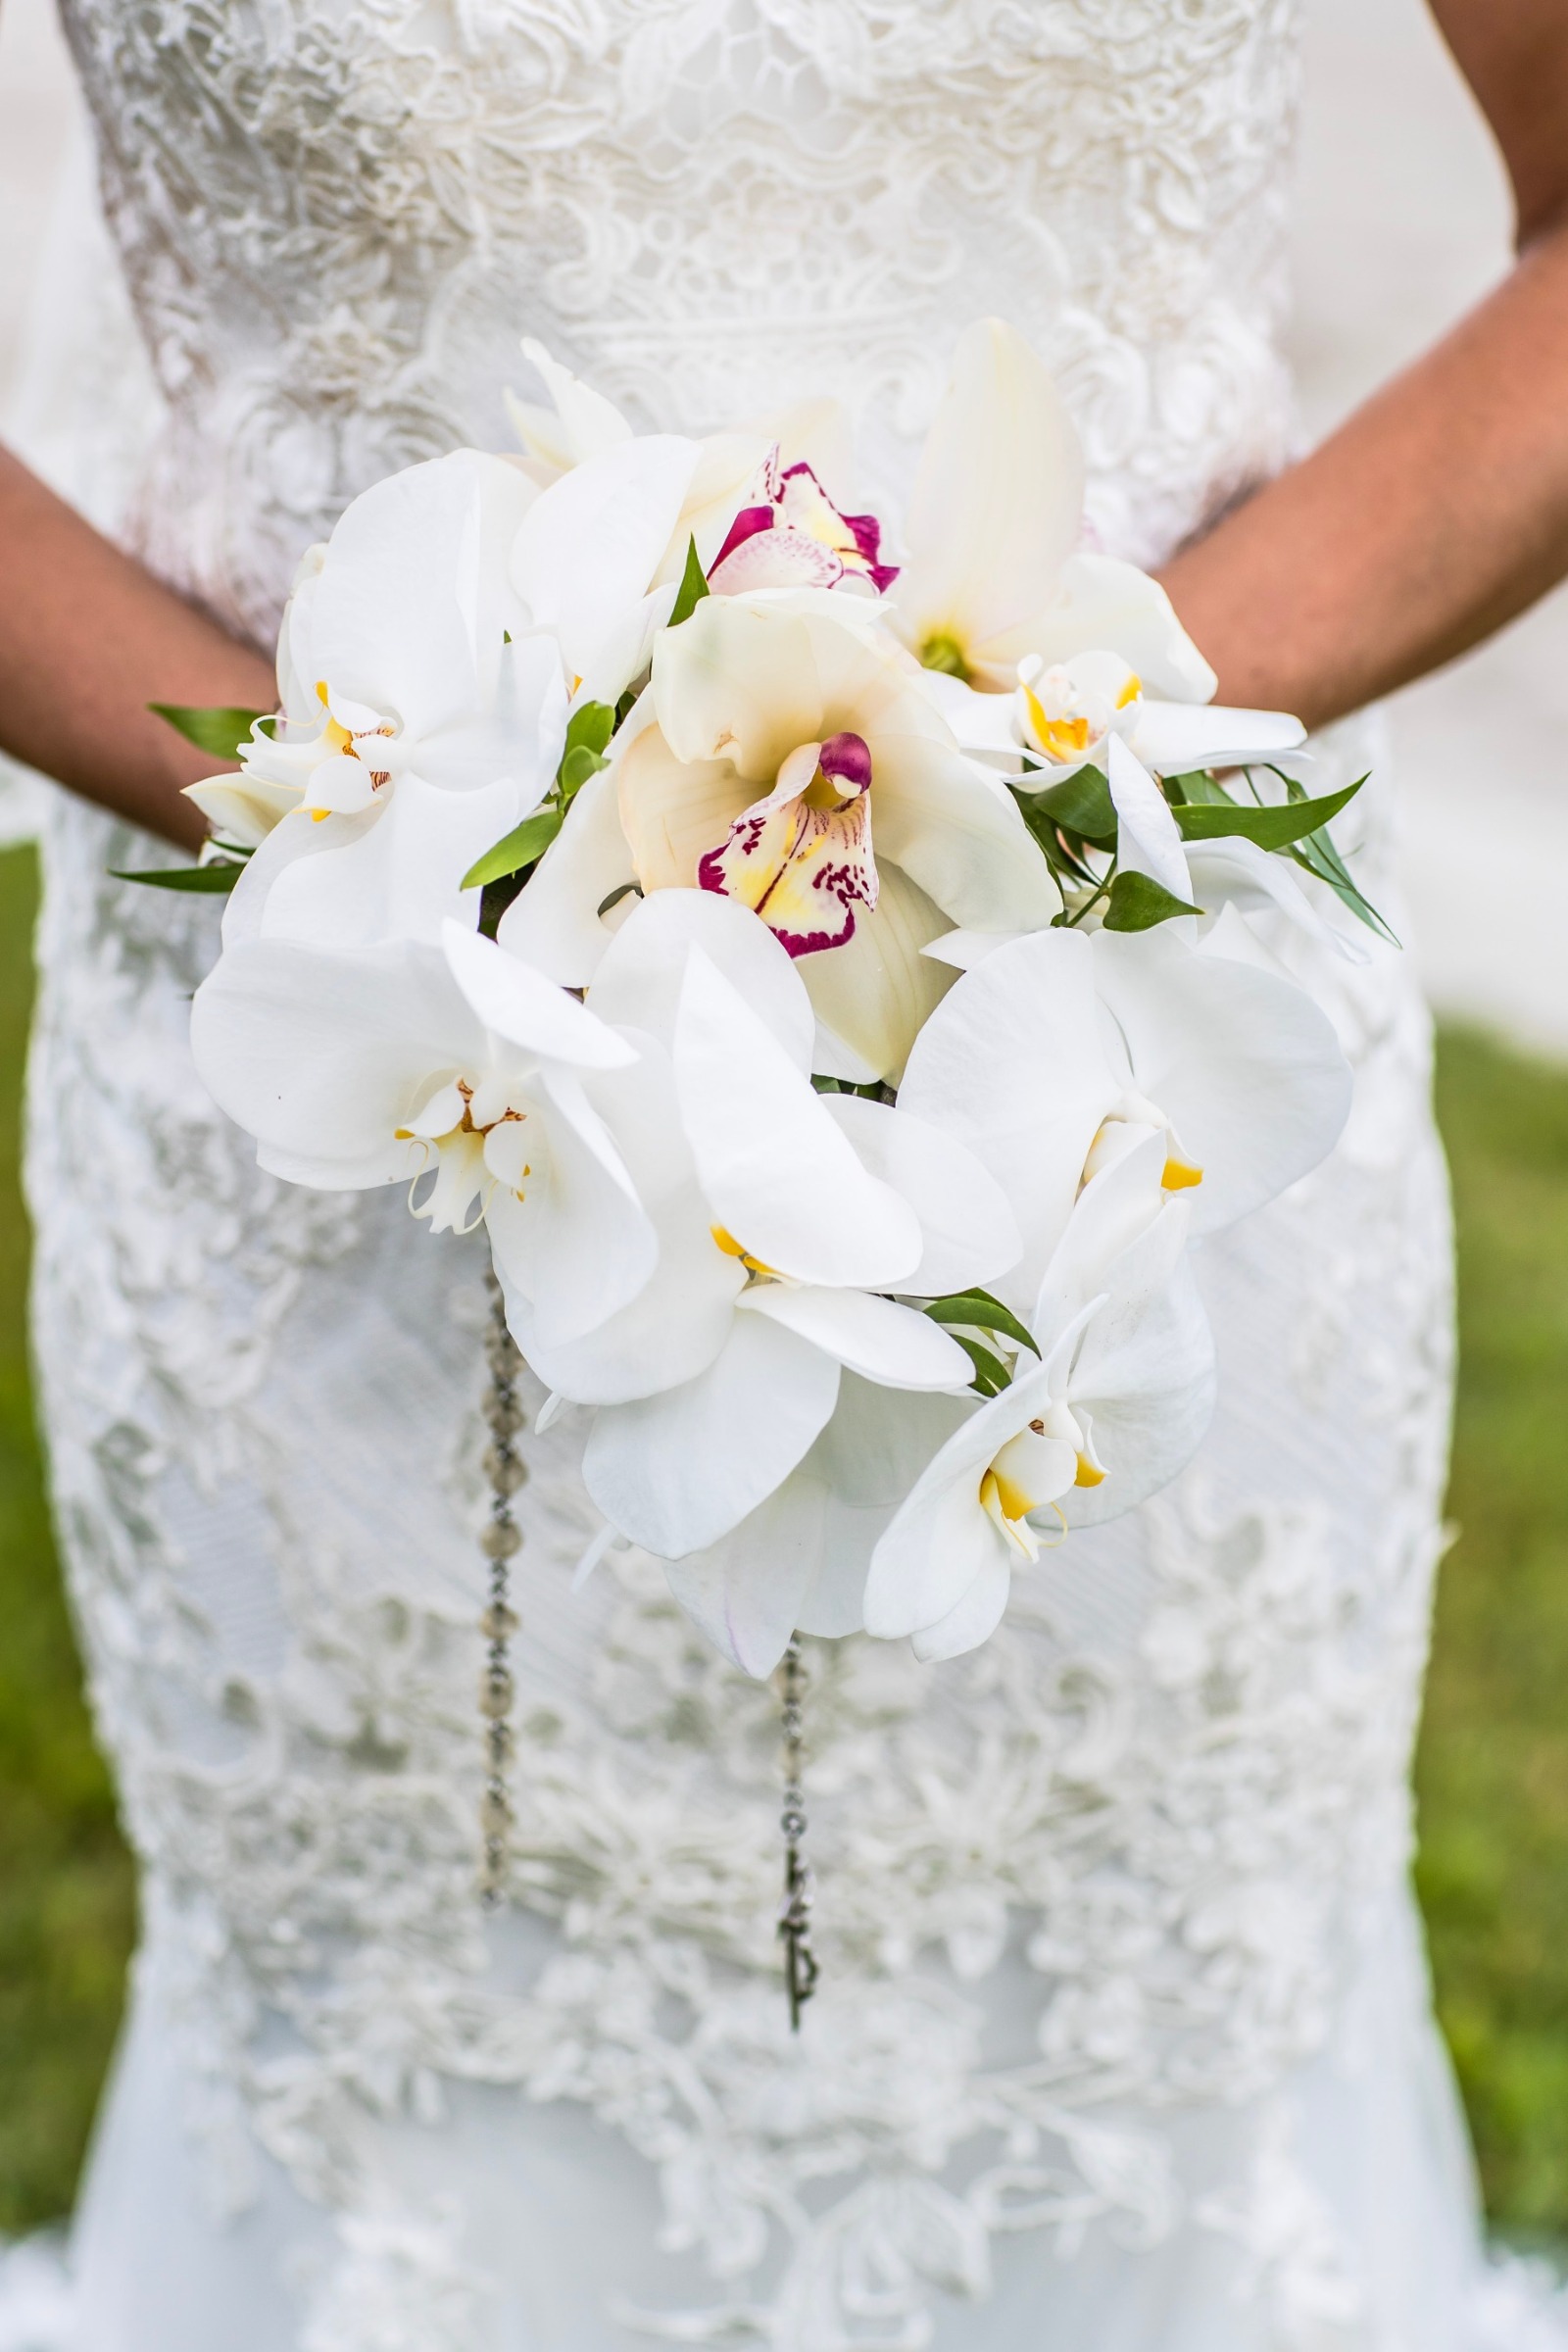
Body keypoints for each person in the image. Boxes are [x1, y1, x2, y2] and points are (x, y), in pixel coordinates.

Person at [1, 3, 1565, 2345]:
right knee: (434, 2091)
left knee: (1133, 2085)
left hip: (1118, 1100)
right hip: (390, 1119)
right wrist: (404, 859)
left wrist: (1014, 783)